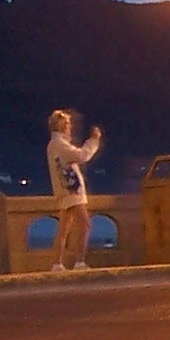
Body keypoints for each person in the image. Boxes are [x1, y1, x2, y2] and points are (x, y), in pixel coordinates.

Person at [46, 110, 103, 271]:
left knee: (64, 230)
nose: (70, 127)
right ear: (61, 125)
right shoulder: (59, 144)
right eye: (68, 124)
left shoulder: (55, 144)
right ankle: (79, 262)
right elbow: (81, 155)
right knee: (85, 225)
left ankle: (57, 264)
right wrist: (94, 141)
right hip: (71, 192)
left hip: (67, 191)